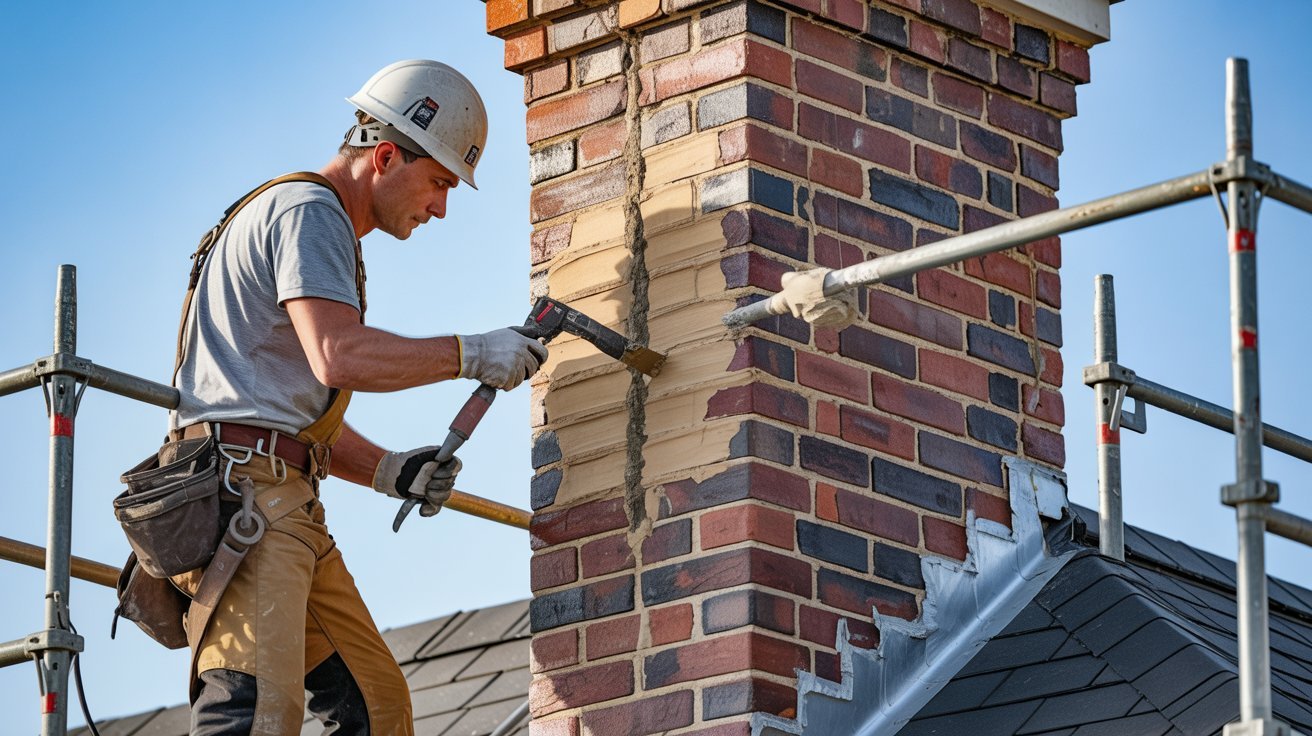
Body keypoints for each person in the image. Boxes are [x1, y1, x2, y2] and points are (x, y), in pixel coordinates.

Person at [167, 59, 546, 735]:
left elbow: (277, 411)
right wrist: (471, 353)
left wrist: (387, 469)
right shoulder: (310, 212)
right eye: (438, 182)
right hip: (247, 500)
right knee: (253, 713)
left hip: (280, 496)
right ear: (387, 156)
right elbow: (337, 354)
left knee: (374, 706)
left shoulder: (308, 219)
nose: (441, 207)